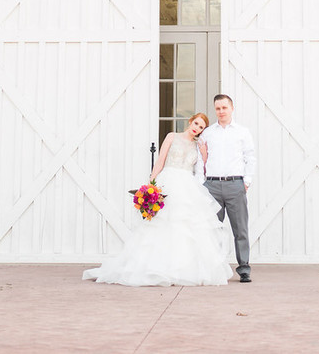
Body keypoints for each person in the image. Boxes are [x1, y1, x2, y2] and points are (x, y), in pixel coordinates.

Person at [83, 113, 232, 286]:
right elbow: (160, 162)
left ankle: (182, 269)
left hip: (187, 185)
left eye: (201, 127)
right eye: (196, 123)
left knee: (186, 227)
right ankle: (154, 267)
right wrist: (151, 185)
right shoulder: (172, 136)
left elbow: (203, 166)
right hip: (168, 181)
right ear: (190, 121)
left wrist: (204, 152)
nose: (196, 128)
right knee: (162, 224)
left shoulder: (197, 145)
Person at [199, 94, 256, 283]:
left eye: (224, 108)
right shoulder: (208, 133)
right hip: (212, 186)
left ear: (231, 108)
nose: (221, 111)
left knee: (240, 229)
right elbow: (201, 159)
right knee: (211, 230)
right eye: (218, 108)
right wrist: (202, 183)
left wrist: (246, 181)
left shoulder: (242, 132)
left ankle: (244, 269)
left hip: (235, 185)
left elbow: (250, 157)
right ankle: (212, 269)